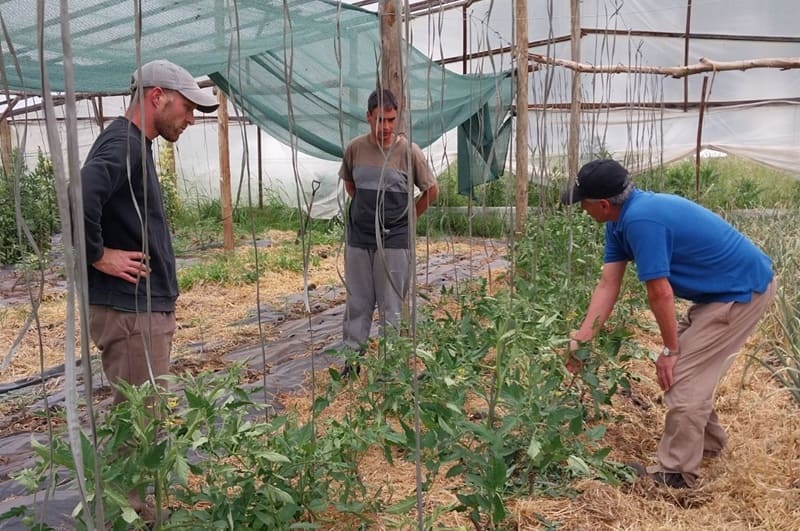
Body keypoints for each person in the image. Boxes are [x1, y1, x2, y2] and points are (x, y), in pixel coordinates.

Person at [562, 158, 775, 489]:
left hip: (741, 290)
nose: (582, 209)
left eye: (583, 203)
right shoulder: (618, 222)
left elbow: (660, 293)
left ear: (603, 203)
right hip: (720, 291)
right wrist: (582, 339)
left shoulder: (641, 220)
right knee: (688, 371)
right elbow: (608, 284)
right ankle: (709, 444)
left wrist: (669, 349)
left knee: (683, 372)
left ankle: (676, 475)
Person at [82, 59, 218, 405]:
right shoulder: (124, 144)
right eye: (187, 107)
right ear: (157, 97)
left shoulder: (133, 144)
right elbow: (78, 195)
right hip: (132, 314)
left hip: (137, 311)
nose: (191, 119)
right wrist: (97, 254)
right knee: (142, 423)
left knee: (145, 417)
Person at [338, 88, 439, 377]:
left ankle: (389, 367)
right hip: (359, 238)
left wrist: (408, 218)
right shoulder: (355, 149)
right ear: (368, 117)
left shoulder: (409, 152)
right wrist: (366, 213)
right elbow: (350, 184)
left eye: (391, 120)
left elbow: (431, 190)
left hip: (395, 240)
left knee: (391, 304)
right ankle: (352, 362)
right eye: (380, 119)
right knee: (357, 301)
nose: (386, 127)